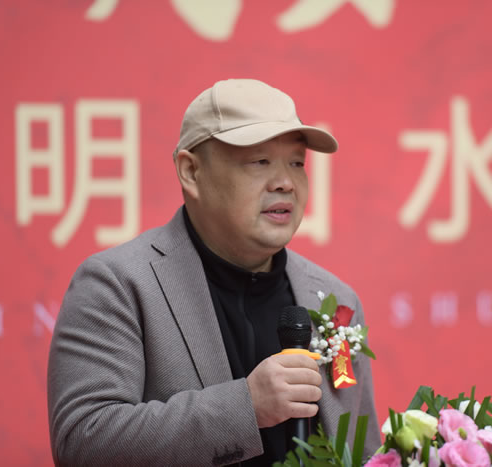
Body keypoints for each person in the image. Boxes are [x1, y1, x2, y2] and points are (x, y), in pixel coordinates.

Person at [47, 78, 381, 466]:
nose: (286, 183)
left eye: (296, 163)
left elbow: (365, 453)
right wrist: (246, 408)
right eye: (260, 161)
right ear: (191, 171)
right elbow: (83, 442)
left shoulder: (336, 301)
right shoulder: (118, 285)